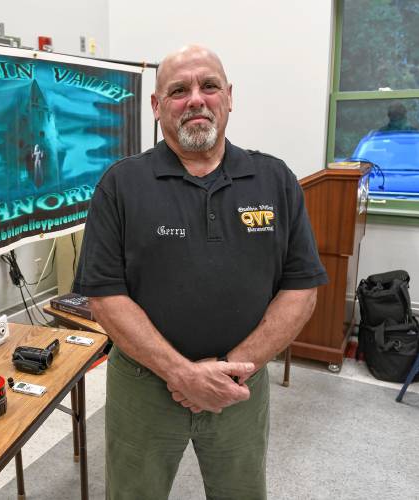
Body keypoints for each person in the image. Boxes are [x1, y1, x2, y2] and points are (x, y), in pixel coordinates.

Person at [72, 45, 328, 499]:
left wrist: (229, 372)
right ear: (156, 106)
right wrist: (181, 374)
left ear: (229, 97)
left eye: (209, 86)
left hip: (241, 387)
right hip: (144, 387)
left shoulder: (275, 180)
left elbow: (301, 289)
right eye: (178, 90)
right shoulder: (121, 185)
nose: (196, 99)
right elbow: (105, 296)